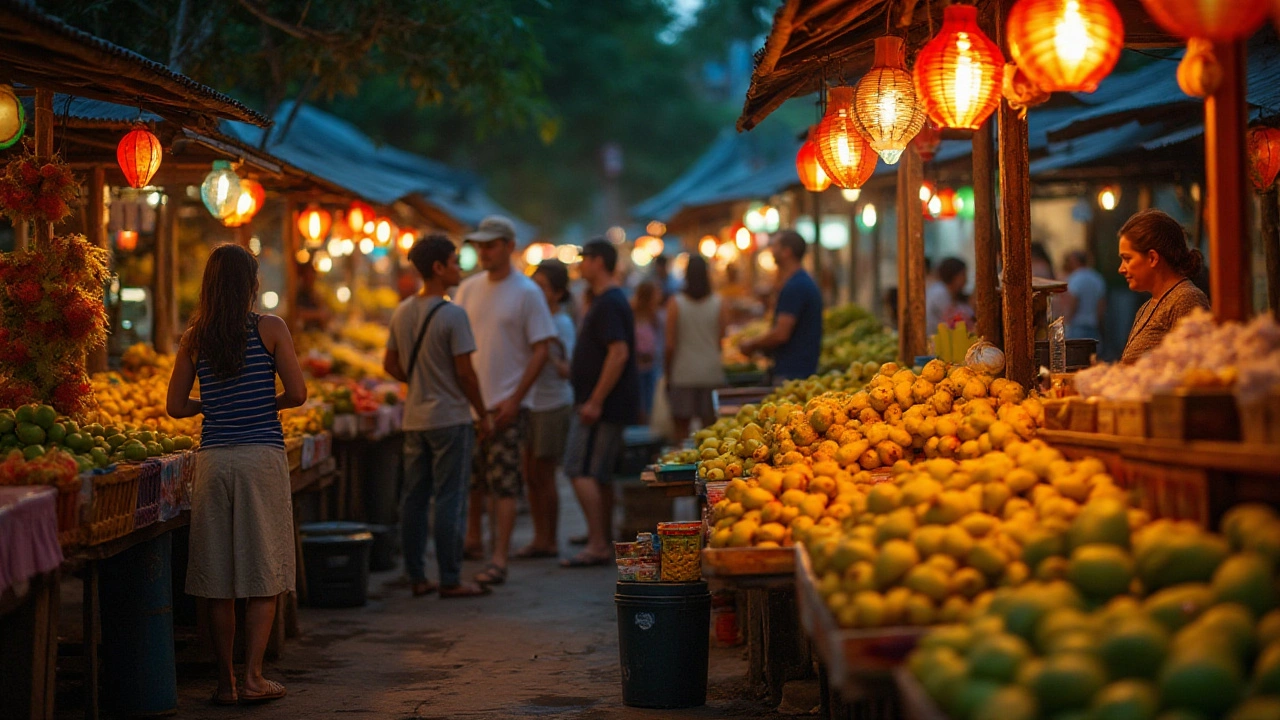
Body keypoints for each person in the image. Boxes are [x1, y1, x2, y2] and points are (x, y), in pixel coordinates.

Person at [166, 244, 307, 706]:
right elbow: (299, 393)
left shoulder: (194, 337)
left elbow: (175, 407)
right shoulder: (270, 328)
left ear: (209, 284)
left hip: (213, 461)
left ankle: (225, 683)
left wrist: (215, 406)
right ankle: (253, 678)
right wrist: (267, 403)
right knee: (262, 571)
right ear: (252, 283)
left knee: (219, 578)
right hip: (260, 459)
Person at [383, 235, 492, 599]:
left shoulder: (402, 311)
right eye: (455, 262)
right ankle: (450, 578)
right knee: (449, 498)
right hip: (450, 419)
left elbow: (390, 364)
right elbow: (465, 373)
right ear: (438, 268)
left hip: (415, 419)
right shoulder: (453, 314)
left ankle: (416, 576)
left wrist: (418, 383)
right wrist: (483, 412)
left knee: (414, 498)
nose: (460, 268)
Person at [454, 216, 556, 586]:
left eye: (491, 245)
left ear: (509, 246)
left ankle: (499, 557)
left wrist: (516, 400)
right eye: (480, 245)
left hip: (508, 405)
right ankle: (473, 540)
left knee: (505, 483)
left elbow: (541, 349)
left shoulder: (527, 292)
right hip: (471, 403)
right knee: (474, 481)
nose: (483, 251)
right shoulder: (467, 289)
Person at [562, 239, 639, 567]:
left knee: (580, 469)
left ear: (598, 262)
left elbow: (618, 352)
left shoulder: (609, 302)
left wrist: (595, 400)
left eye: (584, 259)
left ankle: (597, 543)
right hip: (606, 402)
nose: (580, 265)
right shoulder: (604, 299)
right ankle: (602, 536)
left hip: (601, 405)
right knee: (601, 474)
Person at [517, 259, 576, 559]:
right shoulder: (533, 318)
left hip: (552, 404)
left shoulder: (562, 324)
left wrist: (547, 354)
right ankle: (539, 538)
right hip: (530, 402)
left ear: (558, 292)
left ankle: (549, 539)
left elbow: (569, 370)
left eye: (543, 287)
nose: (537, 292)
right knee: (530, 474)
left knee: (545, 473)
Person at [1117, 209, 1209, 364]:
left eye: (1127, 259)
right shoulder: (1146, 306)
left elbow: (1193, 368)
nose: (1121, 269)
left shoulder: (1186, 299)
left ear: (1153, 258)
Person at [738, 229, 823, 382]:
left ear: (786, 252)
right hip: (800, 370)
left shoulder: (795, 286)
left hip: (792, 373)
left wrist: (751, 345)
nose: (771, 250)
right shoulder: (799, 282)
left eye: (775, 246)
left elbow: (781, 333)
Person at [665, 255, 726, 441]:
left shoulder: (676, 303)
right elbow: (721, 339)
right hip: (711, 372)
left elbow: (669, 345)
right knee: (711, 434)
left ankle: (682, 468)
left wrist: (667, 373)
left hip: (683, 373)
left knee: (681, 434)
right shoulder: (719, 303)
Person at [631, 280, 662, 423]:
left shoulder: (654, 317)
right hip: (637, 369)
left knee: (649, 404)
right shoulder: (633, 316)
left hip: (651, 368)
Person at [1060, 250, 1107, 341]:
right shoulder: (1097, 278)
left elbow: (1073, 301)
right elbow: (1101, 304)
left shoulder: (1075, 278)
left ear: (1075, 261)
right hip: (1093, 326)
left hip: (1077, 325)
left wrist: (1066, 322)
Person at [926, 257, 967, 333]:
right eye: (963, 275)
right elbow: (954, 321)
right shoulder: (940, 292)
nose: (966, 279)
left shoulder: (944, 291)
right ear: (954, 275)